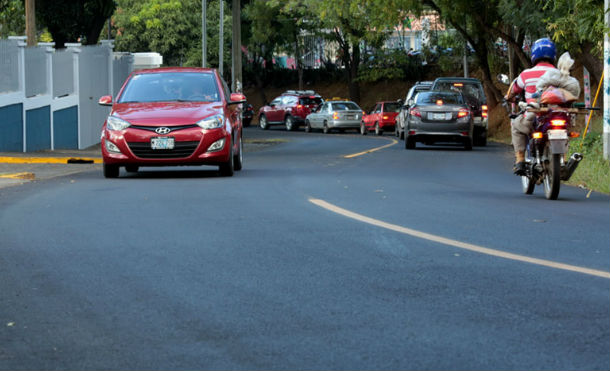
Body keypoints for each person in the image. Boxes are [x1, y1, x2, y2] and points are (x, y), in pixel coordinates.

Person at [504, 38, 558, 175]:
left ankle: (520, 159)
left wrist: (508, 98)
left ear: (534, 55)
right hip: (556, 114)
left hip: (534, 115)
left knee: (516, 126)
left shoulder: (526, 74)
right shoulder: (561, 74)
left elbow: (512, 92)